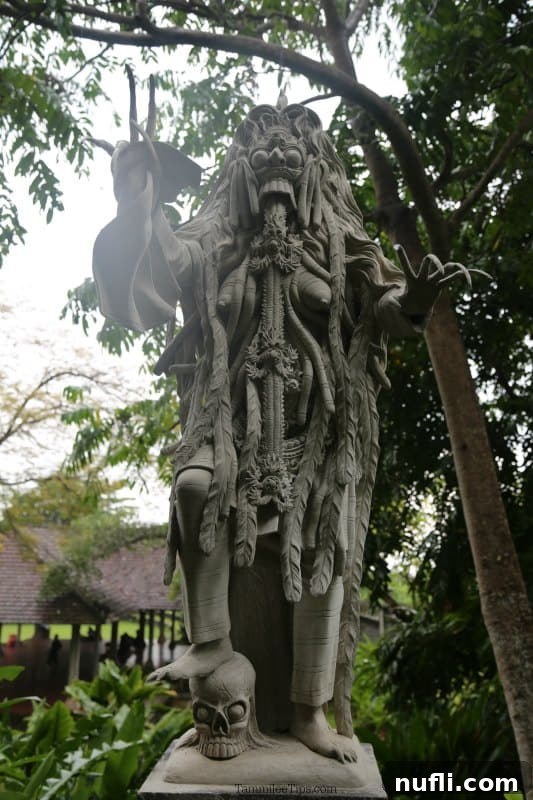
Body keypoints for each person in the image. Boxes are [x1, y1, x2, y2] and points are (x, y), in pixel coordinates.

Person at [93, 95, 463, 762]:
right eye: (261, 157)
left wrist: (411, 300)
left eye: (292, 161)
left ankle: (308, 712)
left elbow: (379, 306)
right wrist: (140, 207)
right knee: (193, 490)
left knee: (324, 557)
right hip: (226, 426)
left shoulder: (338, 241)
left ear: (314, 172)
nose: (276, 172)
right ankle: (209, 643)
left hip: (318, 434)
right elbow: (170, 263)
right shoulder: (218, 241)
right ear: (240, 170)